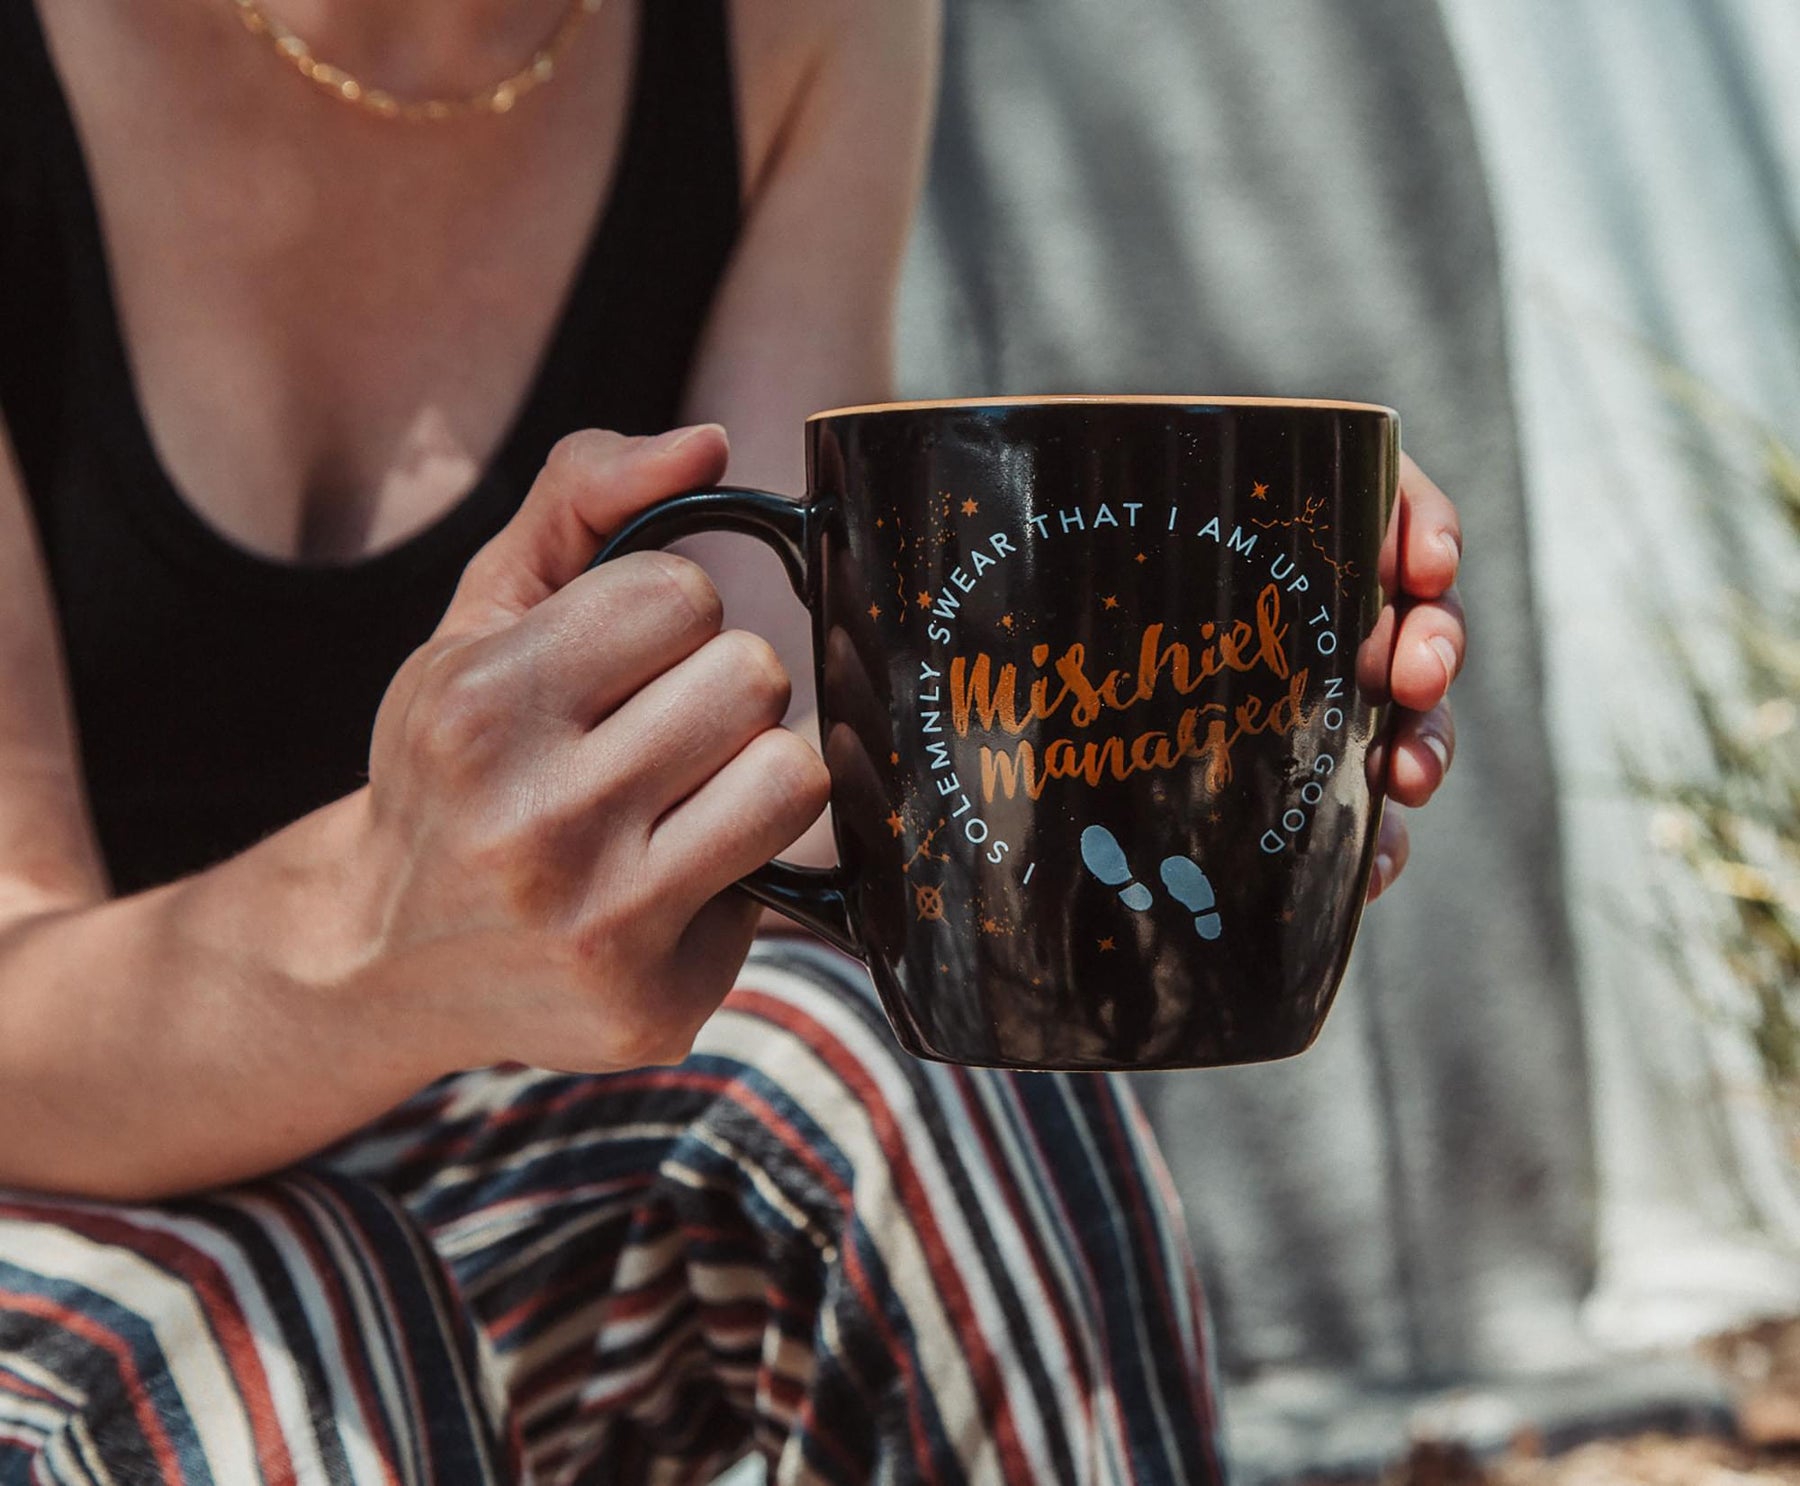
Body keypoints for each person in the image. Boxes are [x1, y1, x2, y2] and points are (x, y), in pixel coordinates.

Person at [0, 0, 1464, 1480]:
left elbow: (795, 781)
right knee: (276, 1314)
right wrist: (379, 931)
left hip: (492, 1163)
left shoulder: (805, 25)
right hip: (53, 1195)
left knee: (926, 1095)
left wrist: (1168, 752)